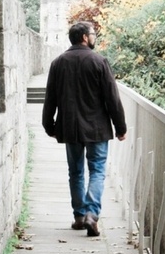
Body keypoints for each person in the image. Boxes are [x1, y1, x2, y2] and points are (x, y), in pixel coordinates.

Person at [42, 21, 128, 238]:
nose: (94, 37)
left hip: (70, 127)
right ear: (84, 37)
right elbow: (112, 98)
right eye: (92, 34)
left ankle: (79, 217)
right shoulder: (99, 61)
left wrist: (48, 125)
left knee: (76, 172)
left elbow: (50, 97)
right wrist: (120, 127)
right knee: (97, 170)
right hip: (97, 128)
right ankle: (92, 213)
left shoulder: (58, 63)